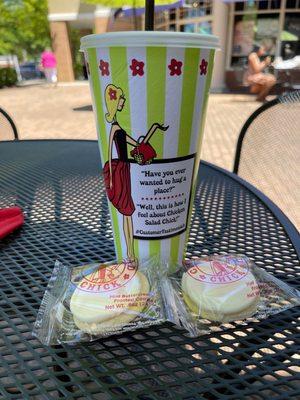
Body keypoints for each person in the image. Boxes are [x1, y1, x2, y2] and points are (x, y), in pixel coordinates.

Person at [103, 84, 168, 263]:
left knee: (127, 212)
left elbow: (135, 144)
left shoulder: (119, 128)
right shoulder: (115, 129)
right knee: (127, 212)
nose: (123, 102)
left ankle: (130, 253)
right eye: (121, 99)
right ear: (115, 103)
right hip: (119, 171)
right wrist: (109, 179)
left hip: (125, 170)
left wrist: (151, 132)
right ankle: (130, 253)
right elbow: (109, 151)